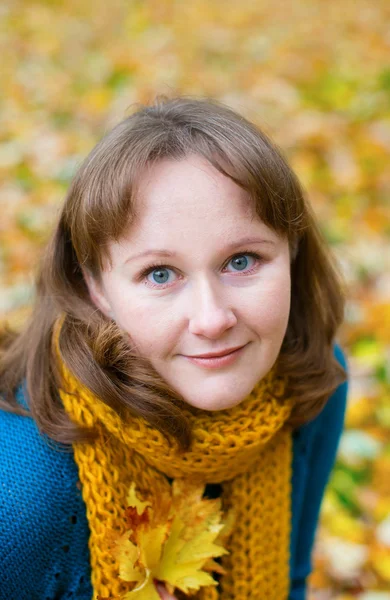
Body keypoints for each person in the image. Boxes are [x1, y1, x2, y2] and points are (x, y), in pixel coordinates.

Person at [0, 97, 348, 600]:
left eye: (242, 260)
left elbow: (290, 581)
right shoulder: (23, 495)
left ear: (292, 250)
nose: (211, 319)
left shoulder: (310, 380)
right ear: (96, 287)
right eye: (160, 274)